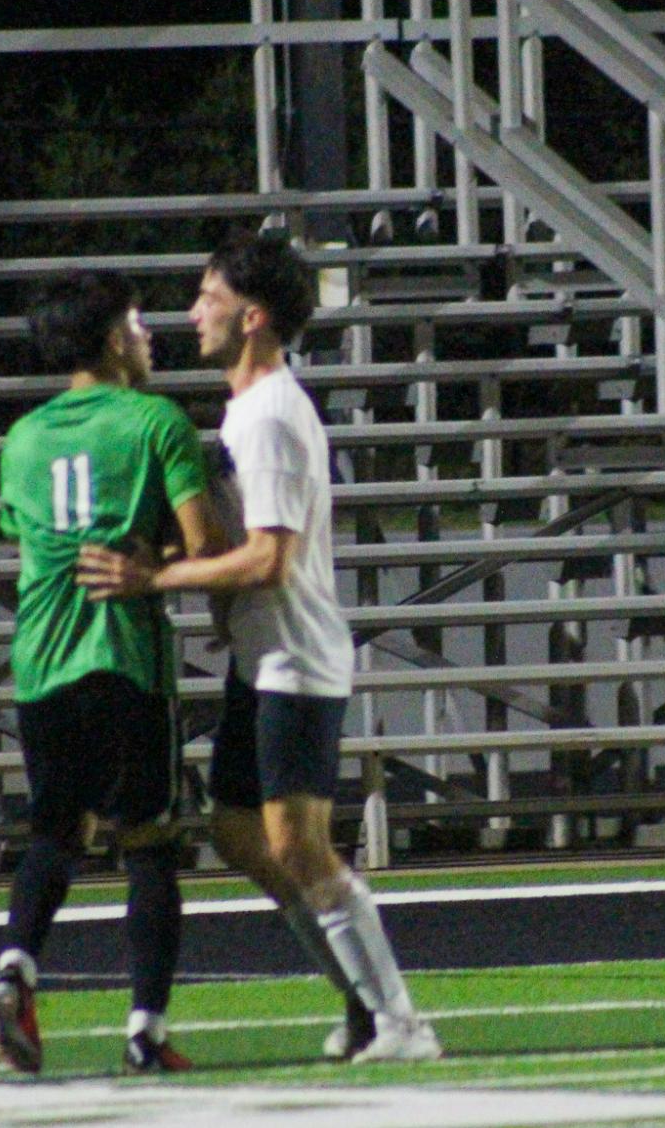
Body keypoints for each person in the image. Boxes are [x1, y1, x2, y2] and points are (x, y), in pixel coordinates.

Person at [78, 232, 442, 1063]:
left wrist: (154, 582)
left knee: (294, 843)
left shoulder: (271, 412)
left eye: (206, 296)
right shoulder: (248, 409)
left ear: (253, 316)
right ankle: (362, 1005)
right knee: (240, 832)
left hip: (295, 656)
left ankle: (399, 1021)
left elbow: (271, 556)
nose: (190, 312)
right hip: (263, 655)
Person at [0, 271, 209, 1075]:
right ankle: (145, 1028)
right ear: (114, 340)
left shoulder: (23, 438)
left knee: (55, 832)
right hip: (118, 653)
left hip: (41, 659)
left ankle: (15, 964)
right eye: (140, 324)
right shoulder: (154, 421)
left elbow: (30, 532)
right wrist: (162, 557)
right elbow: (204, 545)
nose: (150, 337)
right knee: (148, 843)